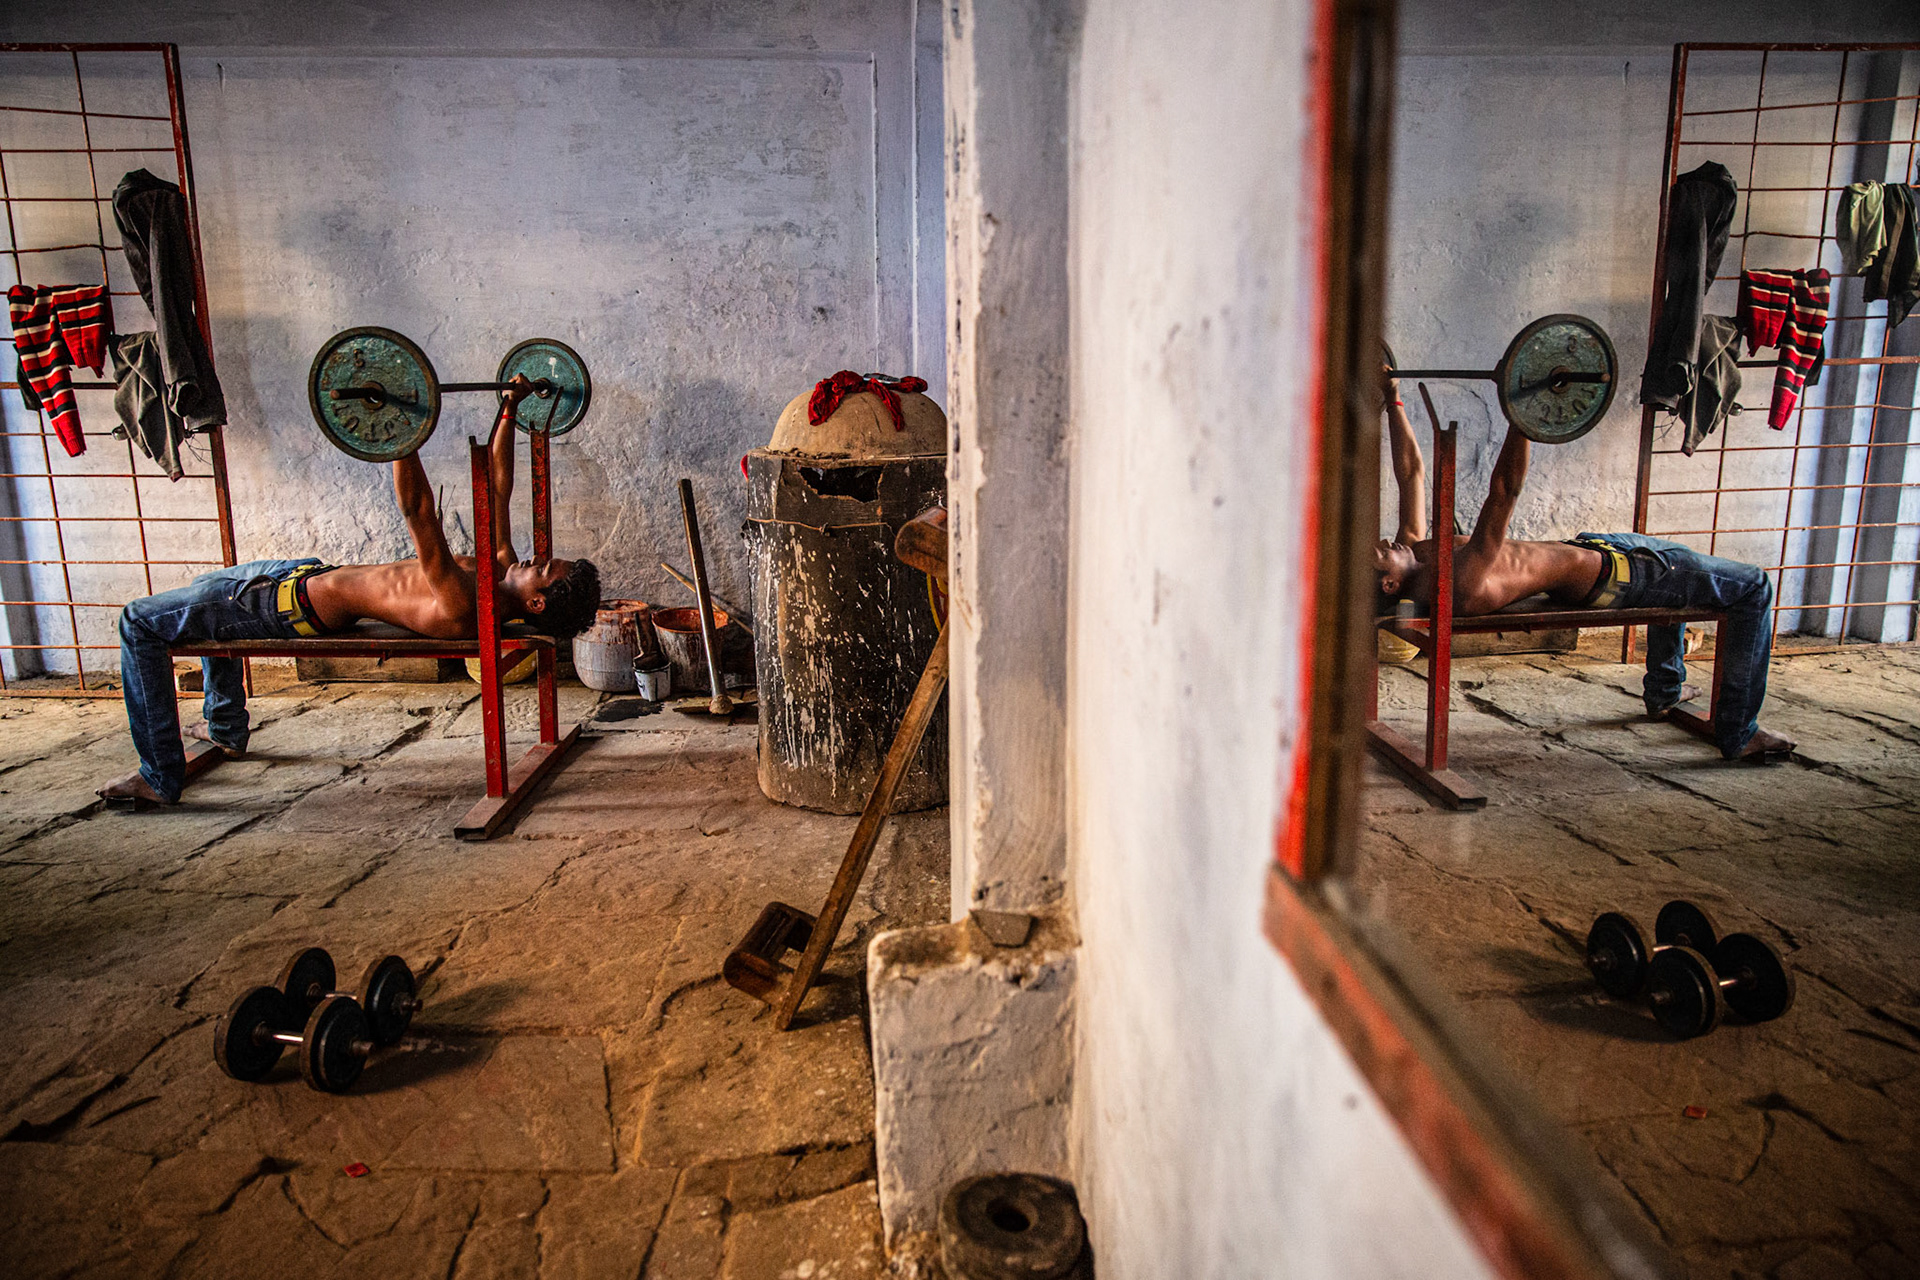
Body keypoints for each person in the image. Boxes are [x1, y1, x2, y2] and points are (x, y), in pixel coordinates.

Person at [100, 379, 601, 807]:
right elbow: (496, 486)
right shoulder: (499, 569)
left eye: (544, 569)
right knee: (202, 589)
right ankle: (226, 731)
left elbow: (419, 512)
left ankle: (159, 777)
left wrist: (401, 431)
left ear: (536, 602)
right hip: (301, 574)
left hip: (283, 607)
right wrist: (510, 409)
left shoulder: (464, 604)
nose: (536, 557)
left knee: (139, 621)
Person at [1376, 372, 1793, 761]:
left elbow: (1411, 472)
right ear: (1392, 584)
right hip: (1625, 578)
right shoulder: (1457, 584)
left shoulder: (1416, 553)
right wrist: (1522, 415)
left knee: (1686, 574)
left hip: (1600, 548)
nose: (1382, 541)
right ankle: (1739, 731)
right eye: (1380, 553)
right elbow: (1503, 494)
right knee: (1753, 587)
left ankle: (1665, 693)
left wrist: (1393, 400)